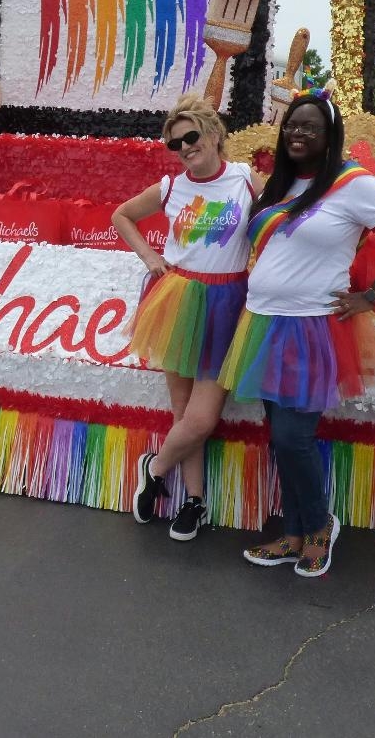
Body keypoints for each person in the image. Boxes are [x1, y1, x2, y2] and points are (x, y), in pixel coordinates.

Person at [218, 90, 375, 578]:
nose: (298, 133)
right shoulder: (280, 186)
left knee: (293, 438)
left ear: (330, 136)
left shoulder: (355, 185)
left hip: (312, 327)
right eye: (292, 124)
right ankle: (292, 533)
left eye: (310, 126)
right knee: (279, 436)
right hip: (263, 321)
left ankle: (318, 527)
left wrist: (369, 298)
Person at [118, 96, 260, 541]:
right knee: (183, 412)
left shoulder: (247, 181)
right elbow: (121, 216)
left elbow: (286, 217)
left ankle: (155, 467)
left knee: (200, 419)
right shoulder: (170, 187)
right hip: (178, 298)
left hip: (229, 302)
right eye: (174, 143)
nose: (183, 148)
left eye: (191, 137)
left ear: (215, 135)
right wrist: (148, 256)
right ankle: (195, 502)